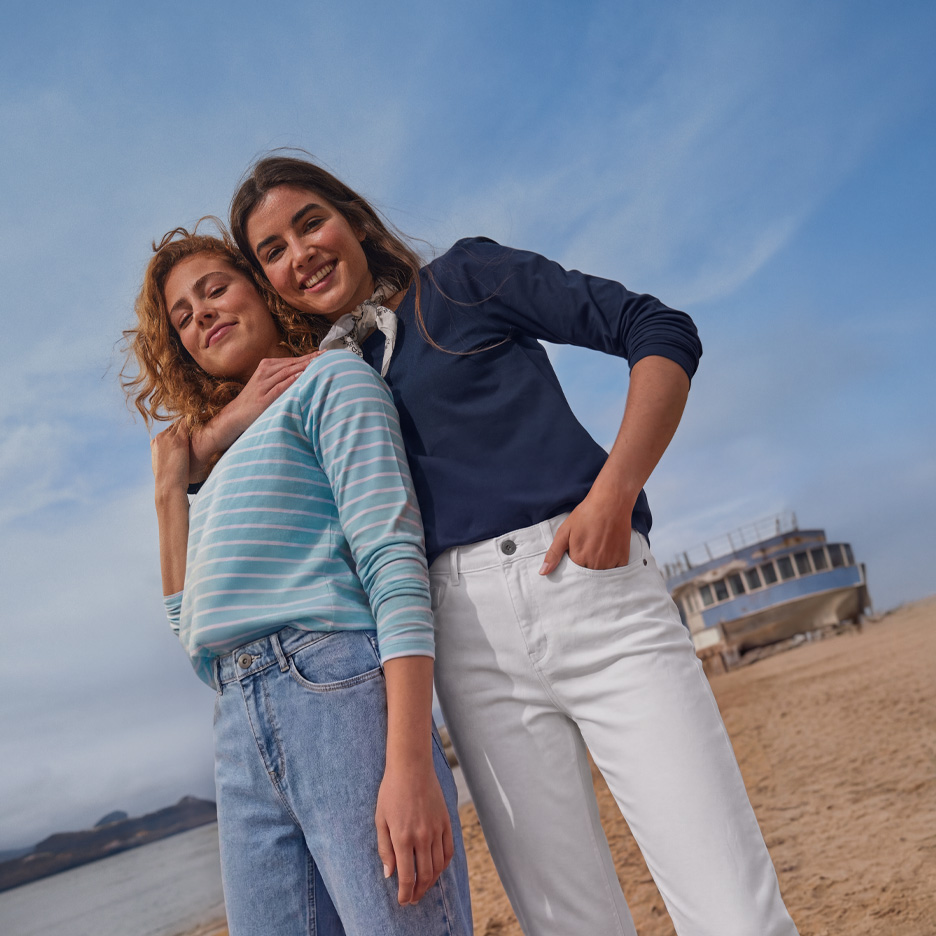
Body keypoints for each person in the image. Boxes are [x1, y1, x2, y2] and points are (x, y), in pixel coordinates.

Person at [193, 155, 798, 936]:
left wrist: (614, 490)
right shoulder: (324, 382)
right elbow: (204, 473)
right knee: (569, 924)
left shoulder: (464, 279)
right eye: (272, 250)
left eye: (309, 222)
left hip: (593, 594)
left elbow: (657, 328)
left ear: (352, 218)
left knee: (731, 909)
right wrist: (215, 426)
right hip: (465, 645)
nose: (299, 252)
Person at [122, 226, 473, 936]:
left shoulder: (332, 379)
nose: (203, 316)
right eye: (183, 317)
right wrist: (174, 482)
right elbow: (188, 630)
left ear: (259, 286)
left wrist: (408, 761)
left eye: (214, 289)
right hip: (235, 722)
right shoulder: (212, 468)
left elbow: (392, 562)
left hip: (335, 691)